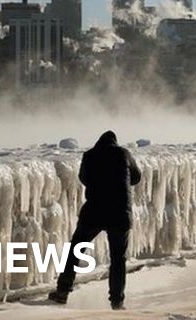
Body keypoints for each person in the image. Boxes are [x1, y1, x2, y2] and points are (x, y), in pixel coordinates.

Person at [48, 130, 141, 310]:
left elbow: (84, 178)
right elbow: (136, 177)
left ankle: (62, 291)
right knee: (118, 258)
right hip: (120, 213)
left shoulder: (89, 155)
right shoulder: (124, 154)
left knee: (75, 249)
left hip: (95, 211)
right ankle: (117, 301)